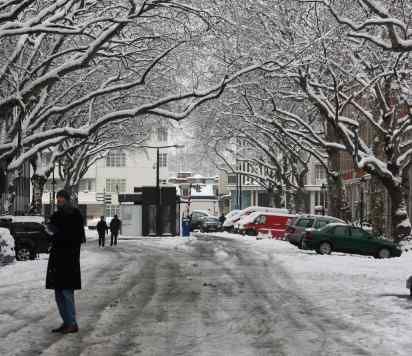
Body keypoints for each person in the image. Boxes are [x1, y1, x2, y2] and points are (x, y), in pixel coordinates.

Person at [45, 189, 86, 334]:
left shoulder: (75, 215)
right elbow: (51, 233)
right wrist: (49, 232)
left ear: (68, 200)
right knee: (58, 294)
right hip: (57, 259)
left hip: (69, 259)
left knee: (67, 293)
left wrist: (57, 234)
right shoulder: (56, 215)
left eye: (62, 198)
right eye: (58, 198)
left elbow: (77, 237)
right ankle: (66, 322)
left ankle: (72, 323)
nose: (59, 201)